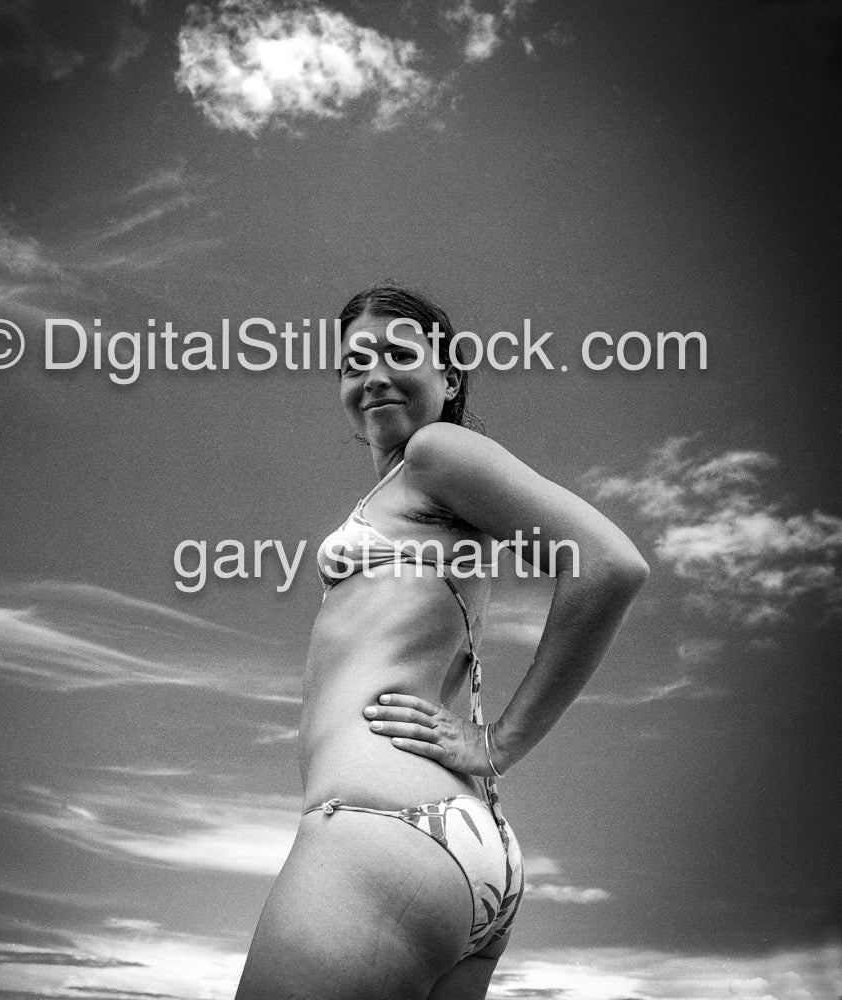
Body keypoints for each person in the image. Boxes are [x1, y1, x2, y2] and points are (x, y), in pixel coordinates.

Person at [234, 284, 649, 1000]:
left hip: (380, 831)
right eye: (353, 362)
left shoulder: (436, 450)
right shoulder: (411, 492)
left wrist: (498, 742)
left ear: (448, 377)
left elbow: (608, 564)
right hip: (462, 855)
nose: (374, 375)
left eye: (400, 352)